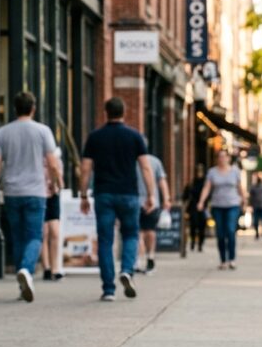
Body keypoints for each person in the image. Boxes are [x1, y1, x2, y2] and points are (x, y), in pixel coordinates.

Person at [0, 92, 63, 303]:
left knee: (18, 237)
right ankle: (27, 270)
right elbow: (53, 163)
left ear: (14, 109)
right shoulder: (43, 131)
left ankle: (22, 283)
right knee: (35, 236)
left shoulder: (3, 132)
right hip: (36, 192)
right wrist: (56, 183)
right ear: (33, 108)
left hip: (11, 192)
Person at [78, 97, 155, 302]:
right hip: (129, 193)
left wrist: (83, 194)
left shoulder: (95, 137)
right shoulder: (134, 136)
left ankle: (108, 289)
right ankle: (127, 271)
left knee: (105, 240)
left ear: (106, 113)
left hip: (103, 193)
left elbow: (85, 168)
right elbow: (146, 167)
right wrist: (151, 195)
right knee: (130, 234)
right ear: (125, 112)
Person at [197, 150, 245, 269]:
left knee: (230, 230)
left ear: (228, 158)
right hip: (217, 206)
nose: (222, 159)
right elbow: (207, 188)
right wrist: (201, 201)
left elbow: (240, 187)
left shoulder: (235, 171)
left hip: (233, 205)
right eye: (220, 157)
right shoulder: (212, 172)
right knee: (220, 233)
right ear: (217, 159)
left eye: (224, 157)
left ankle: (232, 259)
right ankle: (223, 260)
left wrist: (244, 200)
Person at [136, 144, 171, 275]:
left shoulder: (133, 160)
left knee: (139, 232)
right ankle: (149, 257)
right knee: (149, 231)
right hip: (152, 201)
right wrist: (166, 198)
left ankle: (141, 259)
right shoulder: (155, 160)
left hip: (137, 202)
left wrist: (166, 198)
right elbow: (162, 182)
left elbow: (162, 181)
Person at [40, 147, 64, 281]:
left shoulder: (57, 160)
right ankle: (46, 267)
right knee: (44, 233)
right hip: (39, 195)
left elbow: (61, 180)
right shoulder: (37, 160)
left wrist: (58, 182)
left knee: (55, 231)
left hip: (53, 196)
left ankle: (55, 267)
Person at [183, 163, 208, 252]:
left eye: (201, 171)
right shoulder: (191, 183)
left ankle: (200, 244)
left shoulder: (206, 184)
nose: (199, 173)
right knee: (193, 225)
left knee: (202, 226)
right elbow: (185, 195)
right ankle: (193, 242)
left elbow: (209, 195)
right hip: (193, 207)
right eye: (198, 171)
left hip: (203, 207)